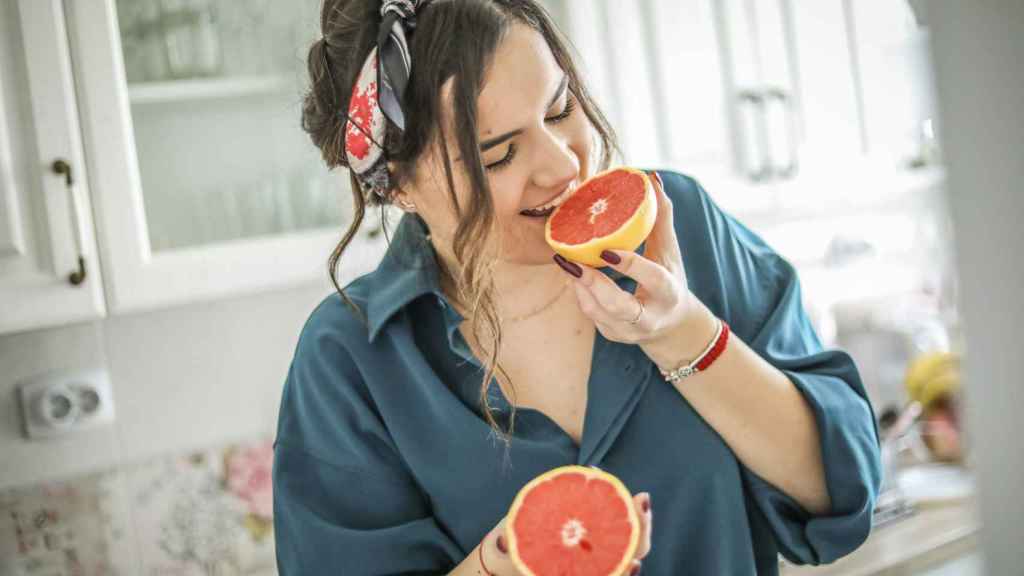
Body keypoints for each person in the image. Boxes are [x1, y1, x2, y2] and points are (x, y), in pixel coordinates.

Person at [271, 0, 882, 574]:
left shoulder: (677, 226)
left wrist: (684, 335)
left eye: (560, 109)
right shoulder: (349, 359)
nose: (563, 165)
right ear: (398, 184)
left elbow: (842, 490)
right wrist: (504, 563)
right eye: (498, 155)